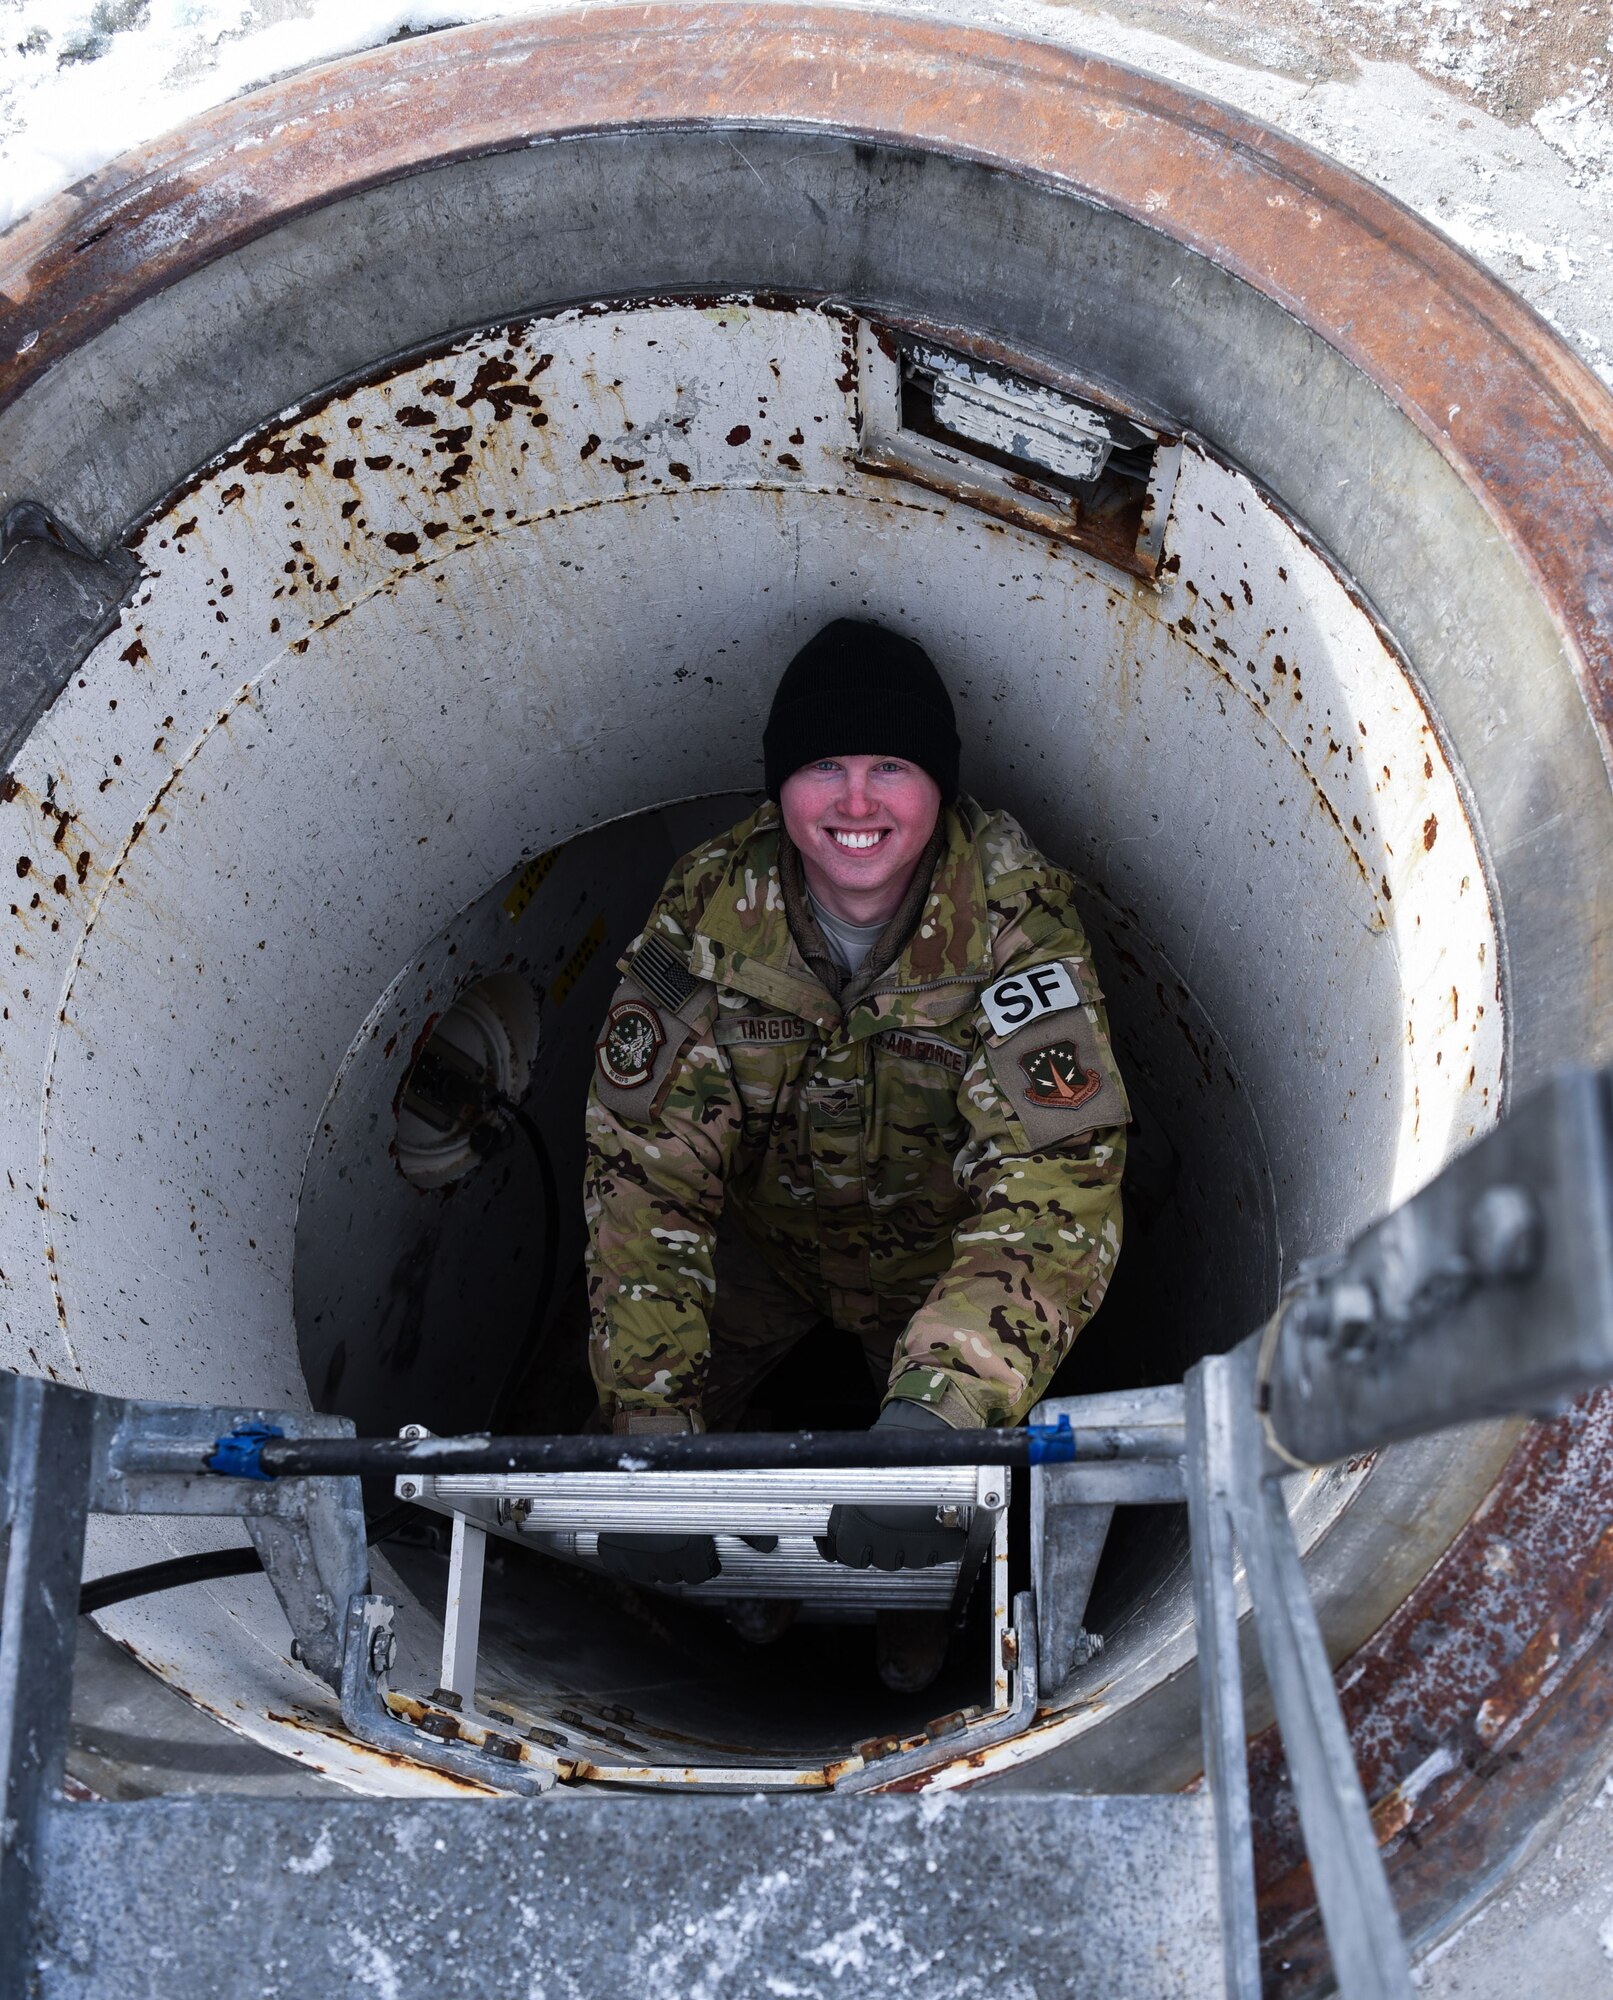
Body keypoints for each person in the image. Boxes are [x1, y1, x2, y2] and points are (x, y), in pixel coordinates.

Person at [582, 619, 1128, 1690]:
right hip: (765, 1248)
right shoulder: (707, 911)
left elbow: (1053, 1185)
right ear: (780, 785)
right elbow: (643, 1171)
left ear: (939, 782)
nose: (855, 803)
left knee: (951, 1473)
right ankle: (740, 1590)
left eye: (891, 766)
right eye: (822, 766)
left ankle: (920, 1615)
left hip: (935, 1265)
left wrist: (934, 1412)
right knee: (621, 1441)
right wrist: (652, 1426)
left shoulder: (1011, 921)